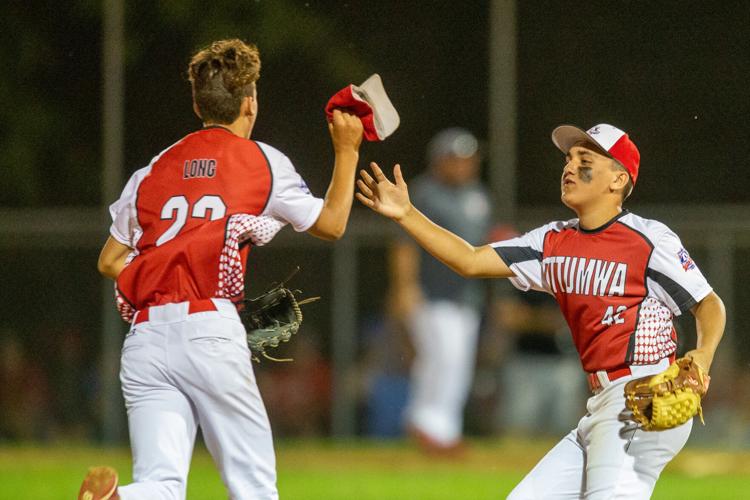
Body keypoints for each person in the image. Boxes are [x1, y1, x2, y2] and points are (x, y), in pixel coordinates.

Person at [356, 123, 725, 498]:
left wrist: (703, 355)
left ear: (617, 179)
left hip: (642, 395)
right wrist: (406, 215)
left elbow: (708, 304)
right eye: (568, 158)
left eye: (585, 159)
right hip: (601, 405)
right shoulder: (552, 242)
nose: (569, 166)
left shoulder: (649, 239)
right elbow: (469, 260)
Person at [78, 39, 363, 500]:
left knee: (161, 485)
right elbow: (331, 224)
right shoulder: (262, 162)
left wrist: (168, 269)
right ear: (250, 103)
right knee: (254, 488)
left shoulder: (153, 169)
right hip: (210, 328)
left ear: (196, 103)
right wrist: (347, 151)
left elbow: (110, 260)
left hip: (146, 340)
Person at [388, 128, 491, 453]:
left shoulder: (478, 196)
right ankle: (427, 424)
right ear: (439, 160)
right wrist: (405, 287)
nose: (462, 165)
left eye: (468, 159)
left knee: (456, 362)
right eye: (455, 158)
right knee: (441, 357)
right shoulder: (424, 193)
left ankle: (443, 430)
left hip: (467, 295)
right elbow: (404, 245)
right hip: (431, 293)